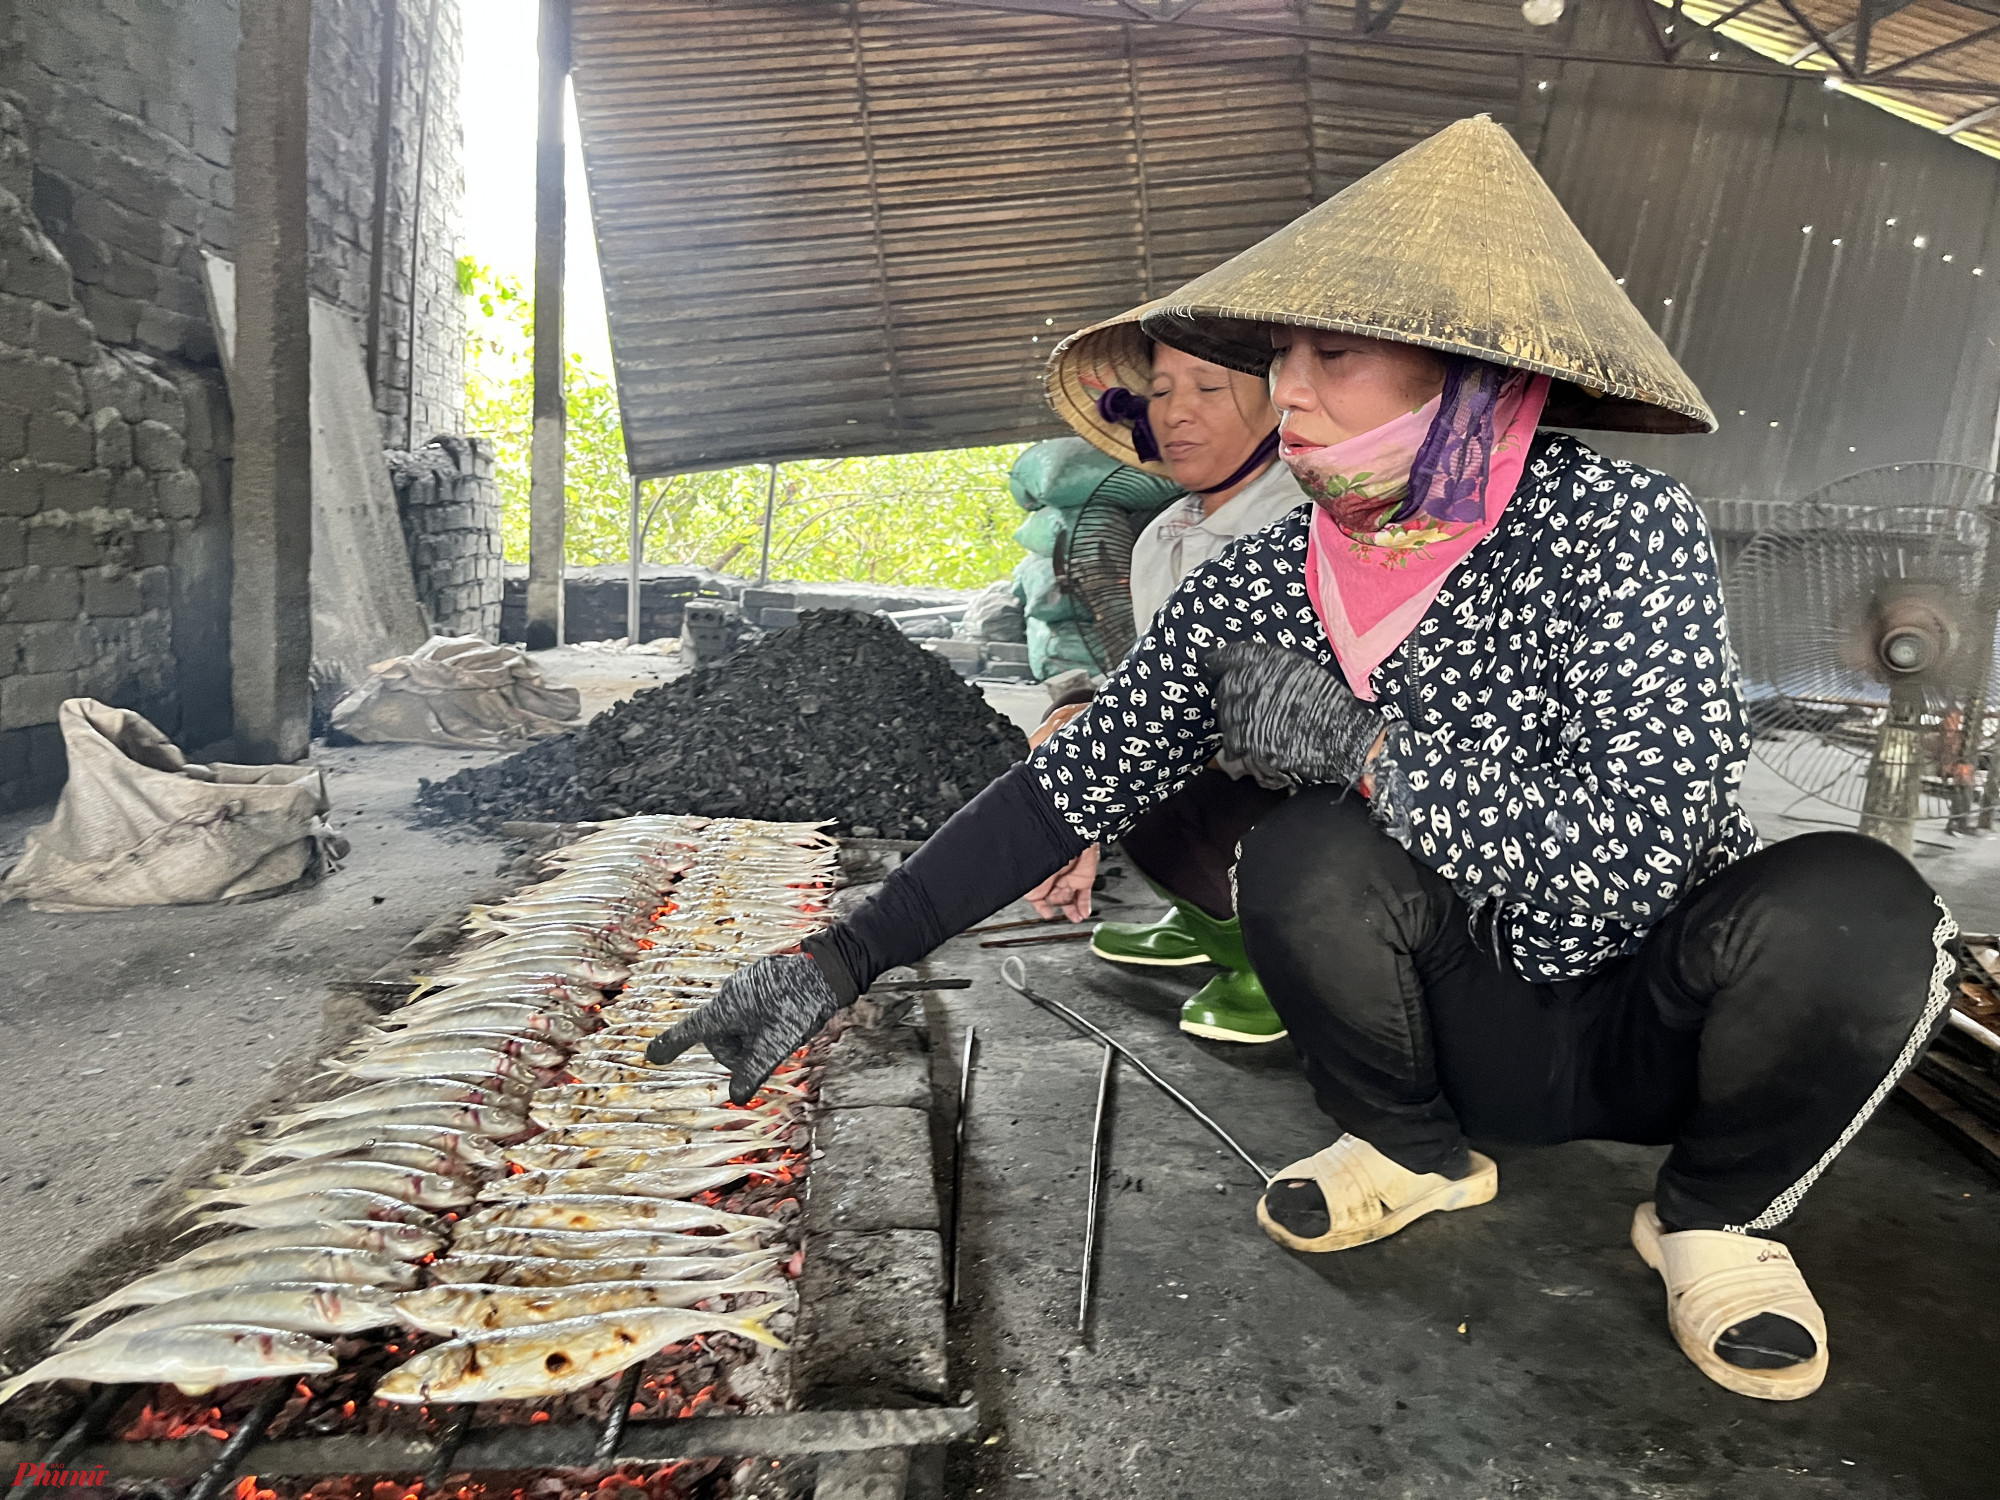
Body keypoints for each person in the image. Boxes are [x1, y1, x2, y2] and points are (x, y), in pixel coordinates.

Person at [648, 117, 1956, 1403]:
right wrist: (838, 957)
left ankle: (1715, 1221)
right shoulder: (1265, 580)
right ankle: (1413, 1149)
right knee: (1301, 855)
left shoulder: (1621, 531)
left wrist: (1367, 748)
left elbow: (1626, 865)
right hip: (1458, 1026)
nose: (1293, 392)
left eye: (1334, 353)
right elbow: (1077, 777)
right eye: (1283, 357)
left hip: (1653, 1021)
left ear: (1476, 378)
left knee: (1865, 905)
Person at [1036, 306, 1307, 1043]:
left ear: (1277, 399)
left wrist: (1109, 738)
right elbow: (1150, 673)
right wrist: (1077, 716)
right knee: (1075, 742)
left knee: (1147, 770)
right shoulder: (1166, 533)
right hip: (1230, 760)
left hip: (1309, 789)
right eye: (1160, 391)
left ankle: (1281, 963)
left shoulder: (1302, 525)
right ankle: (1204, 916)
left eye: (1209, 389)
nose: (1177, 412)